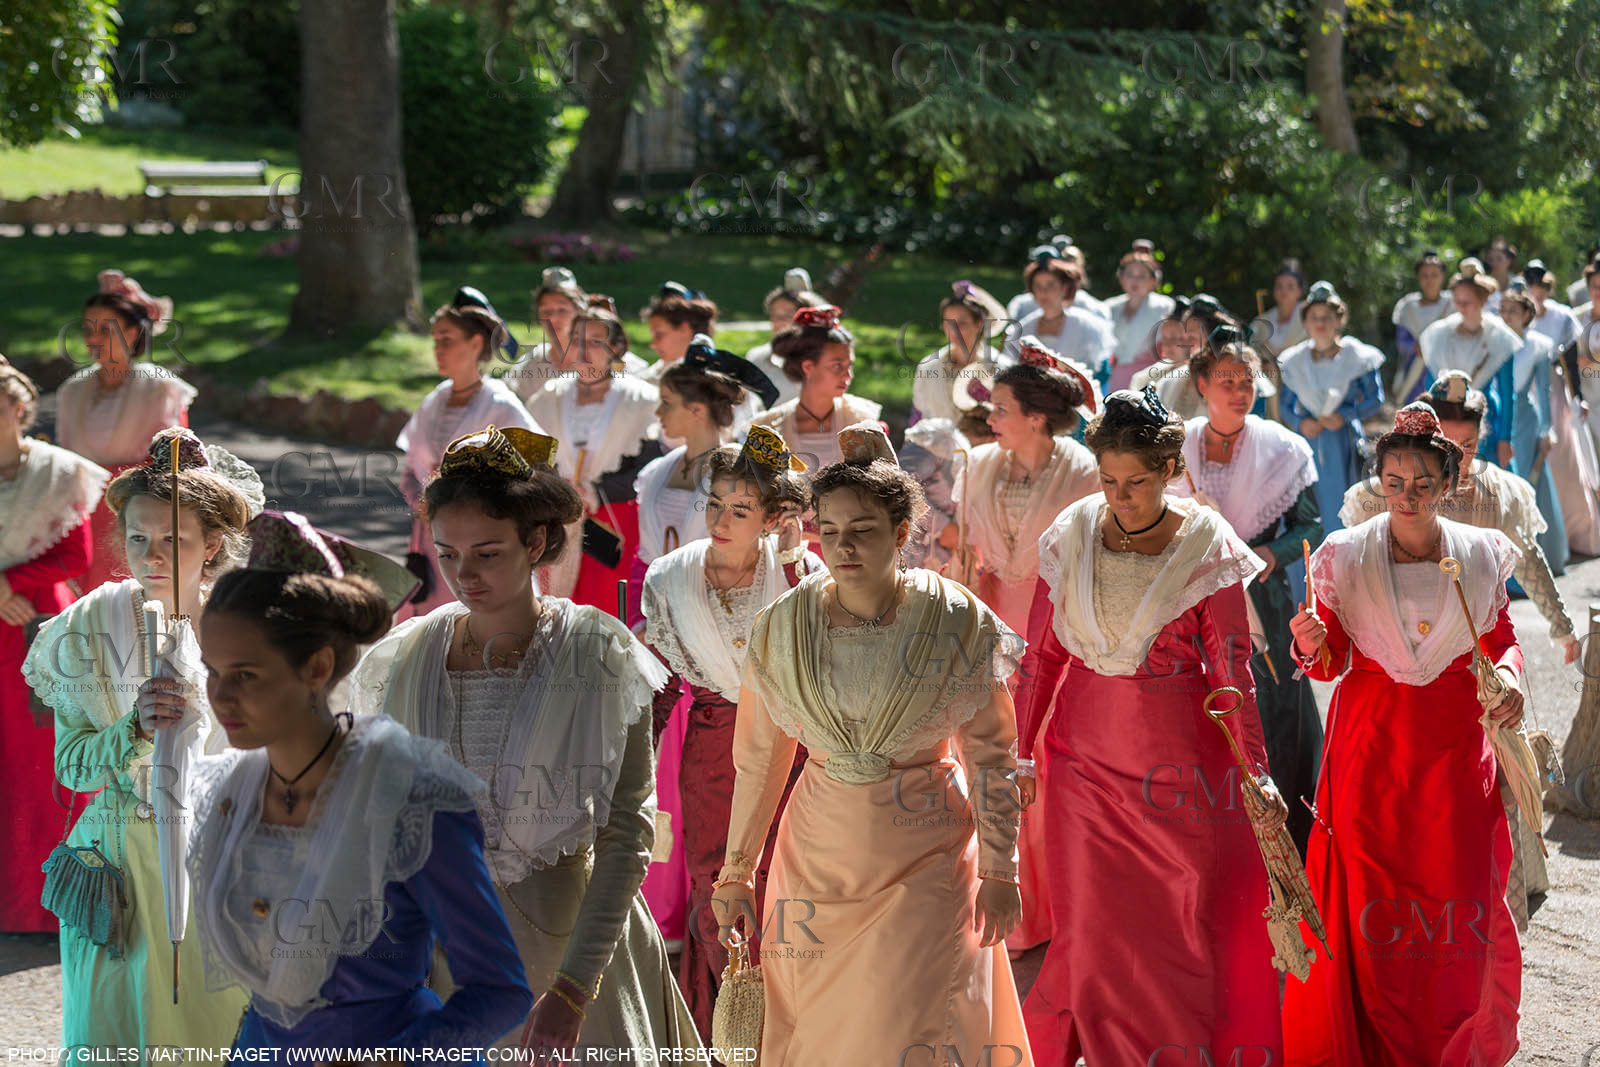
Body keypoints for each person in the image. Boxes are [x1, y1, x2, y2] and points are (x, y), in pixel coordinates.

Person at [350, 425, 703, 1056]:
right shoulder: (407, 656)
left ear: (536, 540)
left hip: (573, 955)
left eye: (487, 553)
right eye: (449, 553)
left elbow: (627, 832)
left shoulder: (594, 652)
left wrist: (574, 988)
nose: (464, 575)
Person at [712, 423, 1031, 1064]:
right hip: (816, 859)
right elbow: (758, 760)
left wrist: (1001, 867)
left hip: (928, 853)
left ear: (901, 533)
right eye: (828, 531)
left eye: (862, 530)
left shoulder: (955, 618)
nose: (842, 546)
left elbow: (993, 755)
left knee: (910, 1017)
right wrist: (737, 871)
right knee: (820, 1028)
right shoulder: (782, 627)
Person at [187, 511, 532, 1051]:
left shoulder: (407, 799)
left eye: (246, 675)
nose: (221, 697)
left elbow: (499, 990)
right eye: (212, 671)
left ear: (318, 668)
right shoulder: (230, 793)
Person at [1015, 385, 1283, 1064]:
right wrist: (1019, 752)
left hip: (1181, 769)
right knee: (1092, 926)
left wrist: (1257, 774)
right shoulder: (1070, 534)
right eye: (1108, 480)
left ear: (1169, 472)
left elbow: (1232, 672)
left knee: (1182, 919)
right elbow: (1041, 657)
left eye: (1135, 481)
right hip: (1080, 764)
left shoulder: (1208, 544)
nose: (1119, 495)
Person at [1282, 401, 1522, 1067]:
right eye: (1394, 482)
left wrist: (1511, 678)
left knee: (1458, 887)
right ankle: (1364, 1032)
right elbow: (1328, 660)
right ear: (1377, 483)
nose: (1407, 496)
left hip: (1453, 750)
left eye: (1422, 483)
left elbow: (1500, 643)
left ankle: (1451, 1032)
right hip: (1370, 747)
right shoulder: (1343, 554)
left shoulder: (1480, 553)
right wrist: (1309, 642)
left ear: (1448, 483)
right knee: (1369, 893)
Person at [21, 427, 259, 1051]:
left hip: (221, 858)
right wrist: (133, 727)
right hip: (118, 862)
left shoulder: (249, 629)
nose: (151, 556)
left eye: (172, 540)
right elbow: (72, 767)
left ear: (211, 546)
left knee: (210, 1029)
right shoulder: (89, 624)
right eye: (137, 537)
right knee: (119, 1027)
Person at [641, 427, 818, 1039]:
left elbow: (822, 653)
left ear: (772, 518)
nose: (720, 518)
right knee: (716, 884)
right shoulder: (668, 577)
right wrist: (635, 754)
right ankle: (725, 1027)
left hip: (796, 752)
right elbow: (662, 682)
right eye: (714, 503)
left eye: (740, 509)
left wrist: (795, 566)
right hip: (712, 752)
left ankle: (792, 1029)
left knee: (785, 884)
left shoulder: (799, 573)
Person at [952, 339, 1099, 956]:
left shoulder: (1085, 472)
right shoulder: (977, 465)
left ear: (1036, 416)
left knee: (1044, 759)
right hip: (990, 629)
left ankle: (1056, 908)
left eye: (1002, 407)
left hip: (1055, 632)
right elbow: (965, 550)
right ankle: (999, 896)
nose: (990, 416)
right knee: (990, 752)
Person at [1171, 336, 1324, 855]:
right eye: (1226, 381)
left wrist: (1266, 554)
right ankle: (1217, 843)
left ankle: (1291, 840)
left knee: (1274, 706)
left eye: (1248, 381)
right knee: (1204, 710)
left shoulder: (1284, 448)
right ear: (1202, 385)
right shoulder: (1177, 447)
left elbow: (1312, 525)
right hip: (1192, 598)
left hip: (1264, 599)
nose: (1239, 391)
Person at [0, 359, 109, 933]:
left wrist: (12, 585)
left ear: (20, 409)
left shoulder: (59, 472)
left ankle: (43, 903)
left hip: (35, 625)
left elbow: (75, 557)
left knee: (39, 759)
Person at [397, 291, 541, 620]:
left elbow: (534, 473)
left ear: (476, 344)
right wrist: (423, 505)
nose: (438, 348)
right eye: (435, 340)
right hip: (432, 541)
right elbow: (410, 471)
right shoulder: (434, 400)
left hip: (481, 544)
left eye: (447, 339)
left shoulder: (500, 405)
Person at [56, 270, 195, 590]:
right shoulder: (72, 390)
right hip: (80, 522)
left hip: (138, 521)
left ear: (133, 333)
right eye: (89, 329)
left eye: (106, 329)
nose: (93, 339)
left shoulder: (160, 388)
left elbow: (177, 467)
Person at [526, 306, 663, 609]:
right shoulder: (548, 397)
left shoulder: (640, 400)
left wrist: (595, 491)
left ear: (614, 348)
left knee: (609, 607)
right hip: (559, 518)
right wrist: (556, 489)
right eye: (576, 340)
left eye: (595, 342)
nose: (583, 350)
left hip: (616, 524)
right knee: (557, 608)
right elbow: (530, 460)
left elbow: (649, 468)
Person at [1278, 281, 1386, 533]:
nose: (1320, 323)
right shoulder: (1295, 361)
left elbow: (1375, 399)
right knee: (1309, 503)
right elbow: (1285, 405)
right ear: (1305, 322)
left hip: (1344, 441)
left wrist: (1345, 415)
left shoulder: (1356, 356)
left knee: (1346, 500)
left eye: (1327, 317)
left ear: (1338, 320)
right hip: (1309, 440)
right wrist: (1299, 423)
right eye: (1314, 317)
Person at [748, 304, 883, 473]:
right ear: (808, 367)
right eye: (837, 366)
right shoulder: (771, 426)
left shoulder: (861, 420)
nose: (848, 375)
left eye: (850, 365)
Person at [1495, 284, 1570, 575]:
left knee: (1525, 483)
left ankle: (1529, 563)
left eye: (1513, 311)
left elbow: (1544, 389)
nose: (1506, 316)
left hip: (1525, 420)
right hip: (1499, 414)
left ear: (1527, 314)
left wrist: (1545, 430)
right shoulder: (1494, 340)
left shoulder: (1538, 345)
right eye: (1502, 310)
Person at [1418, 262, 1520, 458]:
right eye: (1457, 301)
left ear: (1482, 301)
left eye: (1468, 301)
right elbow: (1431, 384)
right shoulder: (1440, 334)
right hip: (1446, 417)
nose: (1461, 307)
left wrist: (1505, 438)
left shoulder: (1499, 338)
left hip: (1485, 418)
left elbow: (1508, 393)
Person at [505, 268, 646, 403]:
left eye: (562, 310)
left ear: (579, 312)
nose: (553, 319)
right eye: (546, 311)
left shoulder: (612, 358)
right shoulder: (532, 364)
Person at [1004, 254, 1114, 387]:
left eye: (1050, 285)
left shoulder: (1087, 326)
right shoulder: (1023, 328)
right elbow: (1009, 365)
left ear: (1065, 288)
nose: (1043, 291)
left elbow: (1097, 371)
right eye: (1038, 285)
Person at [911, 281, 1006, 425]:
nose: (954, 330)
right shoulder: (928, 367)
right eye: (949, 323)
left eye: (962, 323)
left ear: (979, 324)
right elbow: (918, 414)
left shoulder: (1000, 367)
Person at [1103, 242, 1175, 392]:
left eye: (1142, 276)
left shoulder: (1165, 306)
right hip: (1115, 378)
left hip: (1150, 378)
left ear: (1153, 281)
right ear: (1121, 278)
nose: (1135, 281)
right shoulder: (1109, 307)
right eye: (1130, 275)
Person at [746, 268, 819, 410]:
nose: (779, 323)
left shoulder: (821, 357)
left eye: (787, 316)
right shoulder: (757, 357)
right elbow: (749, 413)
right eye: (775, 315)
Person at [1390, 250, 1452, 406]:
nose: (1429, 280)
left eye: (1434, 275)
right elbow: (1401, 341)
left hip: (1445, 371)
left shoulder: (1452, 304)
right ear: (1418, 277)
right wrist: (1416, 347)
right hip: (1414, 374)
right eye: (1425, 275)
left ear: (1442, 276)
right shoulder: (1408, 306)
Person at [1130, 297, 1206, 421]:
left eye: (1176, 338)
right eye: (1164, 337)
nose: (1167, 344)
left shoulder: (1201, 379)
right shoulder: (1146, 377)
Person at [642, 281, 720, 383]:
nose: (652, 344)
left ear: (684, 328)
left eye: (659, 334)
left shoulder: (701, 381)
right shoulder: (659, 368)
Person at [1260, 258, 1309, 362]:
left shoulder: (1311, 315)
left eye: (1290, 286)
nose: (1284, 291)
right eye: (1279, 286)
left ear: (1300, 291)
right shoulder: (1263, 319)